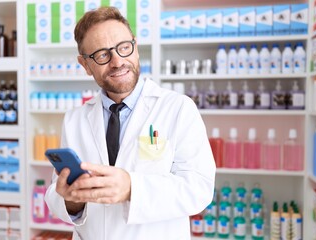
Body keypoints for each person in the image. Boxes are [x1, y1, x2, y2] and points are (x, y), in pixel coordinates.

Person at [45, 6, 216, 240]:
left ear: (135, 47)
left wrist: (131, 188)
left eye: (124, 48)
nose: (118, 61)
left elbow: (199, 189)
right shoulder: (74, 119)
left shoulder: (178, 108)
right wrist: (71, 201)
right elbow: (57, 192)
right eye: (103, 54)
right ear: (85, 64)